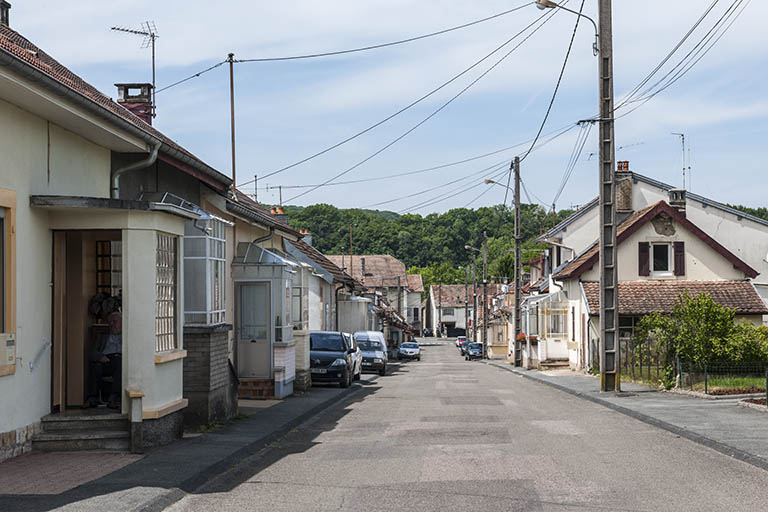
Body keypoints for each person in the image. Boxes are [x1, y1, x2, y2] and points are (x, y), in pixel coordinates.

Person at [85, 312, 122, 409]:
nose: (112, 324)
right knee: (95, 366)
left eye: (115, 321)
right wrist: (100, 357)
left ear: (122, 322)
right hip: (106, 361)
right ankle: (92, 398)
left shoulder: (126, 336)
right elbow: (93, 352)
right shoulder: (103, 337)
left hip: (120, 360)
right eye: (110, 322)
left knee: (119, 363)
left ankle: (113, 397)